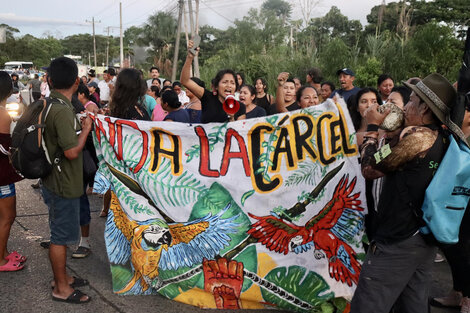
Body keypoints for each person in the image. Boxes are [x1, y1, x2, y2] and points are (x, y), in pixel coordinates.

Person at [350, 73, 468, 313]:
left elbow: (370, 168)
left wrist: (372, 129)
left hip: (399, 238)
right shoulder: (440, 136)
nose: (407, 106)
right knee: (412, 303)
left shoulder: (417, 139)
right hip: (422, 235)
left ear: (425, 108)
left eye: (412, 101)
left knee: (369, 302)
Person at [41, 57, 93, 303]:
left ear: (49, 80)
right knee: (60, 237)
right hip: (62, 183)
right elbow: (72, 152)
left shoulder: (54, 103)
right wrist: (86, 130)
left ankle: (62, 278)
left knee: (59, 232)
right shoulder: (61, 110)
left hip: (56, 180)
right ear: (76, 81)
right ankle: (61, 287)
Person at [180, 40, 246, 123]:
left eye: (232, 83)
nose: (229, 85)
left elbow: (240, 132)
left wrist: (231, 118)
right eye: (225, 82)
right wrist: (189, 57)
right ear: (216, 86)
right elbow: (185, 81)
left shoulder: (240, 107)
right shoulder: (207, 97)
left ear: (236, 87)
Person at [0, 71, 25, 272]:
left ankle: (4, 252)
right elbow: (4, 147)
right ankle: (0, 260)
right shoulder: (2, 114)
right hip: (1, 175)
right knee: (8, 217)